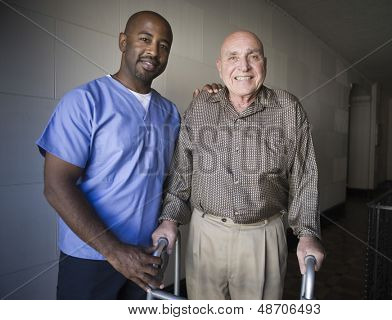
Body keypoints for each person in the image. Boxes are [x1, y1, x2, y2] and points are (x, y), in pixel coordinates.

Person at [152, 30, 325, 299]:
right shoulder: (200, 106)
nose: (243, 66)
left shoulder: (288, 109)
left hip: (263, 236)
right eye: (233, 57)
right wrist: (169, 219)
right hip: (205, 234)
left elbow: (305, 177)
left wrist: (308, 233)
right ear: (220, 67)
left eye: (252, 57)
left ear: (264, 64)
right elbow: (181, 174)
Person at [37, 11, 180, 299]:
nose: (154, 50)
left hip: (146, 258)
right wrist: (115, 252)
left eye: (164, 45)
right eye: (145, 39)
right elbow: (56, 186)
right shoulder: (84, 102)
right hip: (90, 259)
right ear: (123, 42)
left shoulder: (170, 113)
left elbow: (171, 180)